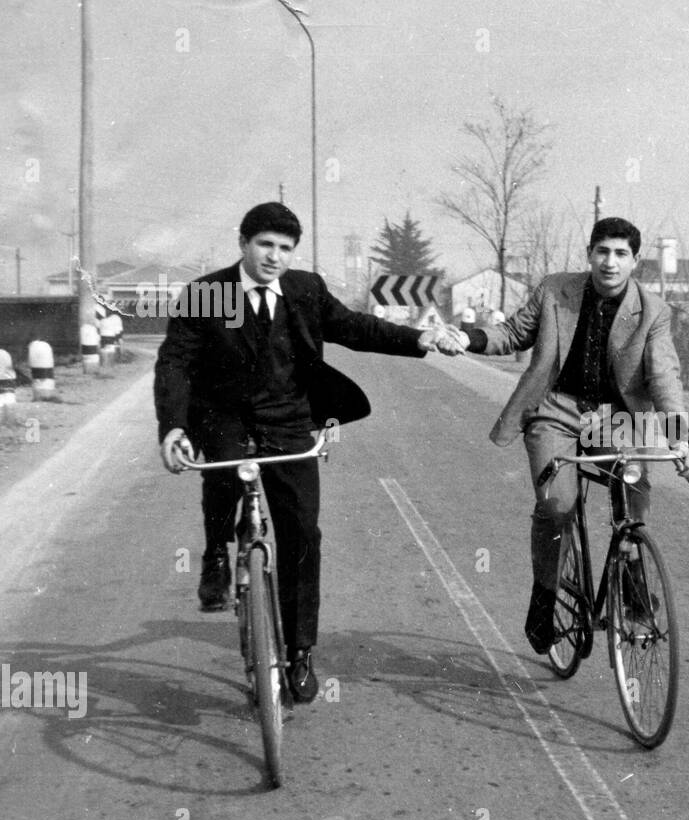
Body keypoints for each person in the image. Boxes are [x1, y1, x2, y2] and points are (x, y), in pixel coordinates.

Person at [154, 202, 461, 702]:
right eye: (265, 245)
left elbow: (357, 328)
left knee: (302, 534)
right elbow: (174, 362)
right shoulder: (208, 293)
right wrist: (172, 428)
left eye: (284, 248)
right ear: (244, 243)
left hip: (290, 421)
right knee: (223, 474)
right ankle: (215, 554)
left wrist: (421, 337)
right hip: (224, 416)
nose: (274, 257)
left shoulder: (305, 289)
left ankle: (299, 653)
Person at [453, 216, 689, 653]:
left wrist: (680, 441)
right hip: (556, 410)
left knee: (634, 490)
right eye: (602, 251)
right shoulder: (555, 290)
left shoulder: (654, 311)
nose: (610, 262)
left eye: (621, 253)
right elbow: (513, 334)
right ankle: (544, 595)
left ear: (635, 261)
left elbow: (665, 378)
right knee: (557, 505)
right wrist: (468, 337)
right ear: (589, 254)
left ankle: (636, 597)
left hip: (616, 418)